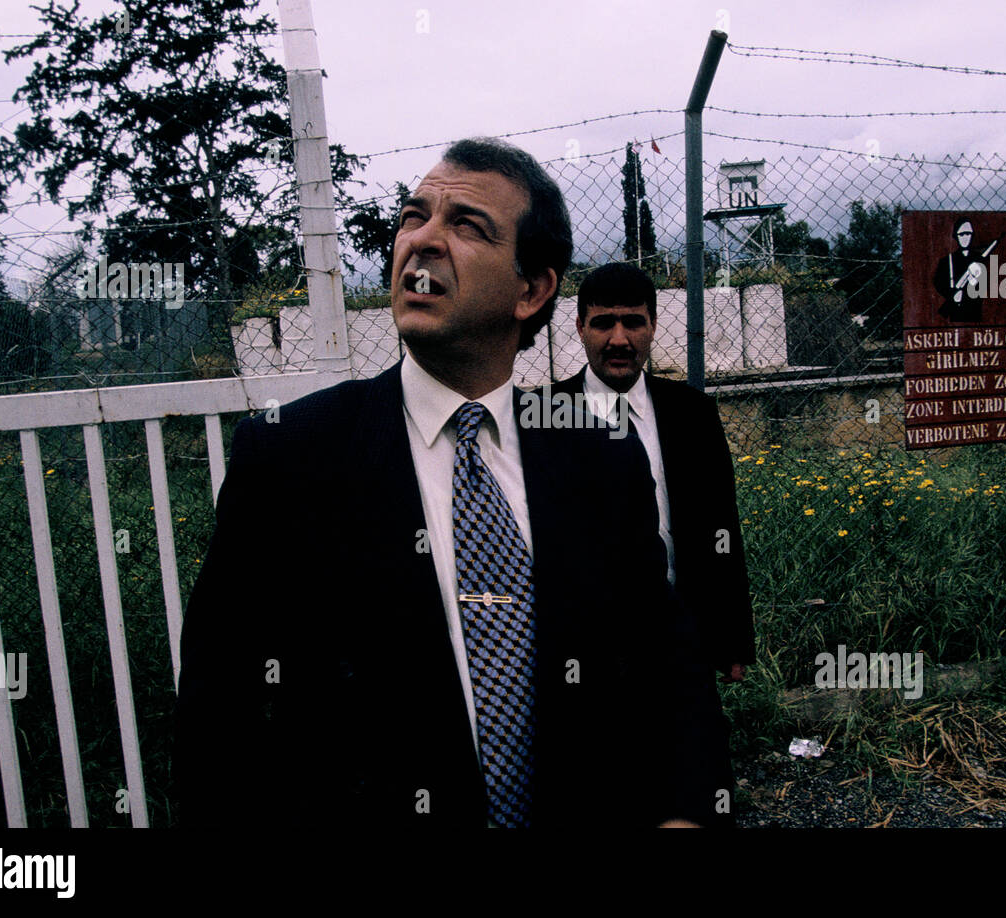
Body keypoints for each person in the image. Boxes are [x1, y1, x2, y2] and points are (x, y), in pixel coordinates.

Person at [174, 138, 732, 828]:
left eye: (467, 225)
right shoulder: (291, 455)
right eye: (414, 216)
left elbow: (668, 665)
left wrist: (684, 813)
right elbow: (218, 712)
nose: (423, 241)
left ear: (532, 290)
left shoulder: (599, 456)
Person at [551, 262, 756, 683]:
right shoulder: (543, 417)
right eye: (603, 323)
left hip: (679, 634)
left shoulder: (692, 413)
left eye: (633, 322)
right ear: (580, 328)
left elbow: (721, 525)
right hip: (582, 648)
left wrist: (732, 635)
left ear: (654, 325)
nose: (619, 339)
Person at [933, 218, 991, 323]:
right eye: (962, 234)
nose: (965, 237)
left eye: (968, 234)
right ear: (956, 236)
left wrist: (975, 280)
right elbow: (938, 283)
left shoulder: (979, 259)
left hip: (975, 310)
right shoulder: (947, 261)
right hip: (956, 312)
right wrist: (952, 295)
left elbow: (987, 285)